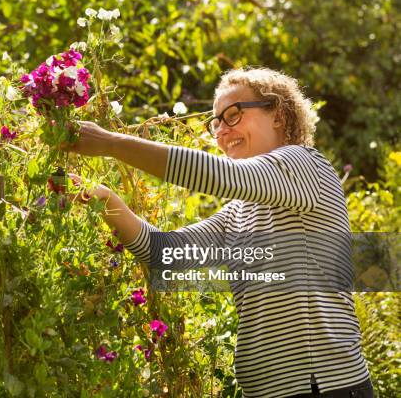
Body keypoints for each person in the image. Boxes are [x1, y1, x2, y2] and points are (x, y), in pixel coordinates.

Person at [63, 67, 374, 398]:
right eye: (216, 123)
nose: (223, 131)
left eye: (233, 115)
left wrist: (110, 142)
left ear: (279, 116)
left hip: (325, 386)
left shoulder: (305, 165)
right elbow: (163, 253)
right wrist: (101, 196)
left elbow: (220, 175)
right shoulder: (239, 212)